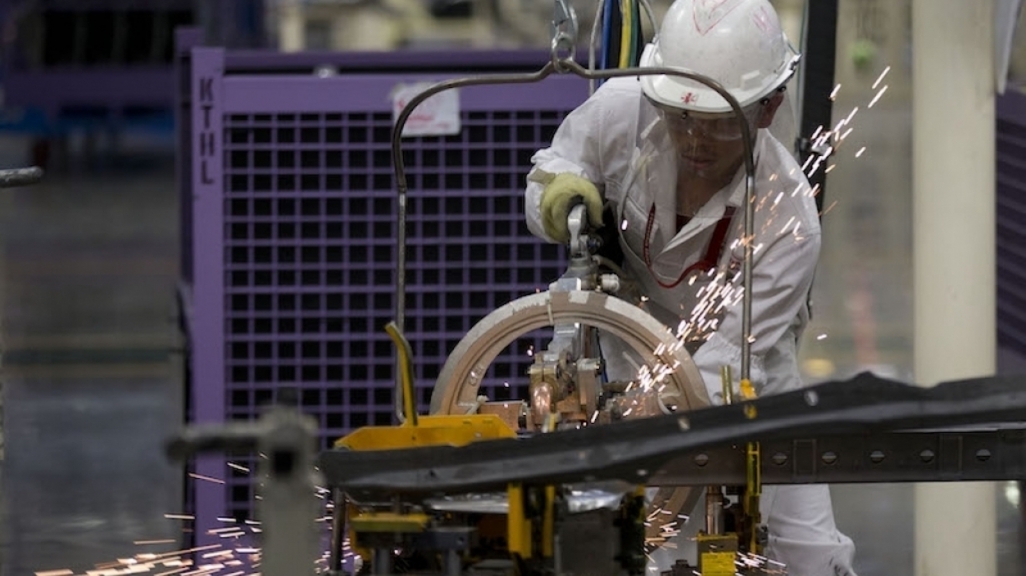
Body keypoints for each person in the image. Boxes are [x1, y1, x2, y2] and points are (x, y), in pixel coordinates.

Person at [523, 0, 858, 575]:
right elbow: (552, 168)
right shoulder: (622, 112)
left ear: (768, 108)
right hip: (632, 344)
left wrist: (642, 415)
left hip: (747, 372)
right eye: (682, 118)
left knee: (809, 556)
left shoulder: (788, 219)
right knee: (635, 546)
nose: (696, 140)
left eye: (721, 123)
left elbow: (719, 366)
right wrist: (559, 199)